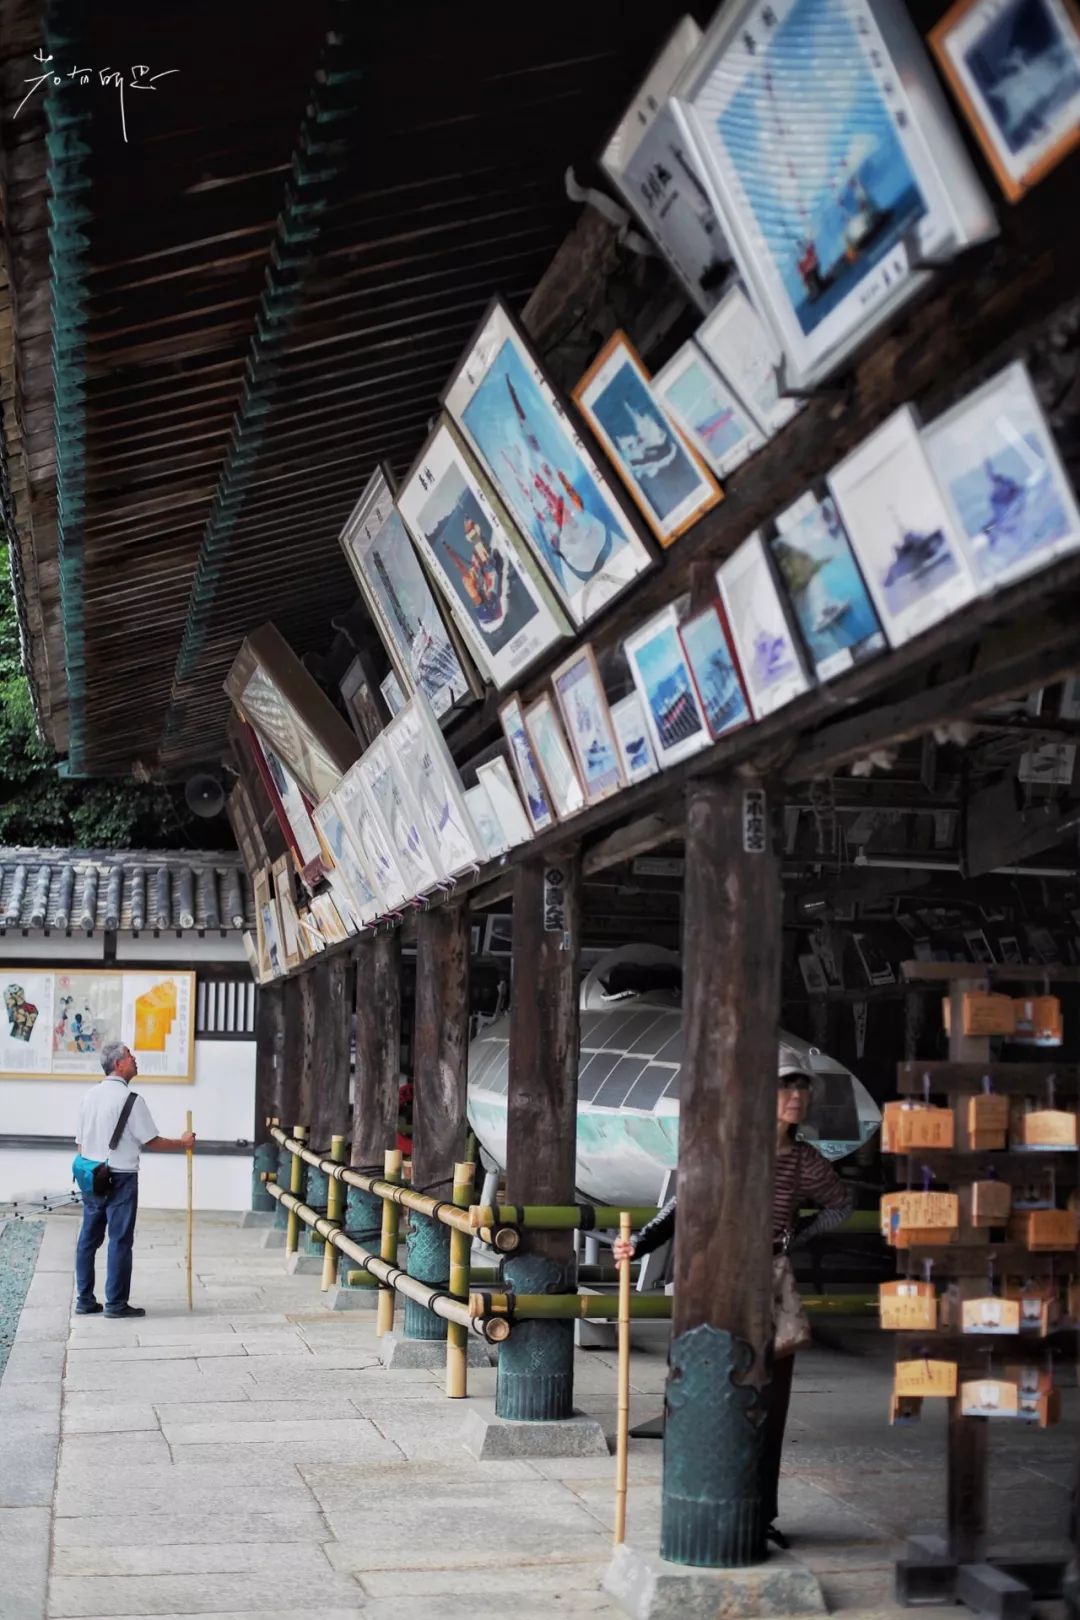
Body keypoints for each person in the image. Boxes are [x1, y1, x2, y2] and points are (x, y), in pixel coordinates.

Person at [613, 1047, 853, 1548]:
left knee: (769, 1399)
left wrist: (795, 1238)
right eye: (786, 1086)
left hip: (769, 1281)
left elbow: (840, 1205)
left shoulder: (806, 1162)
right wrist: (637, 1244)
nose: (796, 1097)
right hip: (718, 1277)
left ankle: (761, 1513)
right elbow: (683, 1204)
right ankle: (701, 1502)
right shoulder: (727, 1150)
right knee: (712, 1389)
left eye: (802, 1088)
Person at [74, 1041, 196, 1318]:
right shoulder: (131, 1100)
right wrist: (183, 1142)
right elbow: (152, 1140)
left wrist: (88, 1173)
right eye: (130, 1056)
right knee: (119, 1240)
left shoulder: (89, 1096)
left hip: (91, 1174)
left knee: (88, 1239)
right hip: (121, 1177)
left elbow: (80, 1144)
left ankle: (84, 1299)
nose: (135, 1060)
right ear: (119, 1064)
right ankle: (115, 1304)